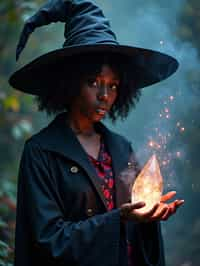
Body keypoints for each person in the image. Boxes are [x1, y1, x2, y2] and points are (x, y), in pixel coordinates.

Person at [9, 1, 184, 266]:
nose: (105, 96)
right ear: (70, 83)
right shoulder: (41, 151)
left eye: (113, 86)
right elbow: (46, 240)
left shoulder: (122, 148)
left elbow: (137, 238)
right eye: (93, 83)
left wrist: (147, 219)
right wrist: (119, 219)